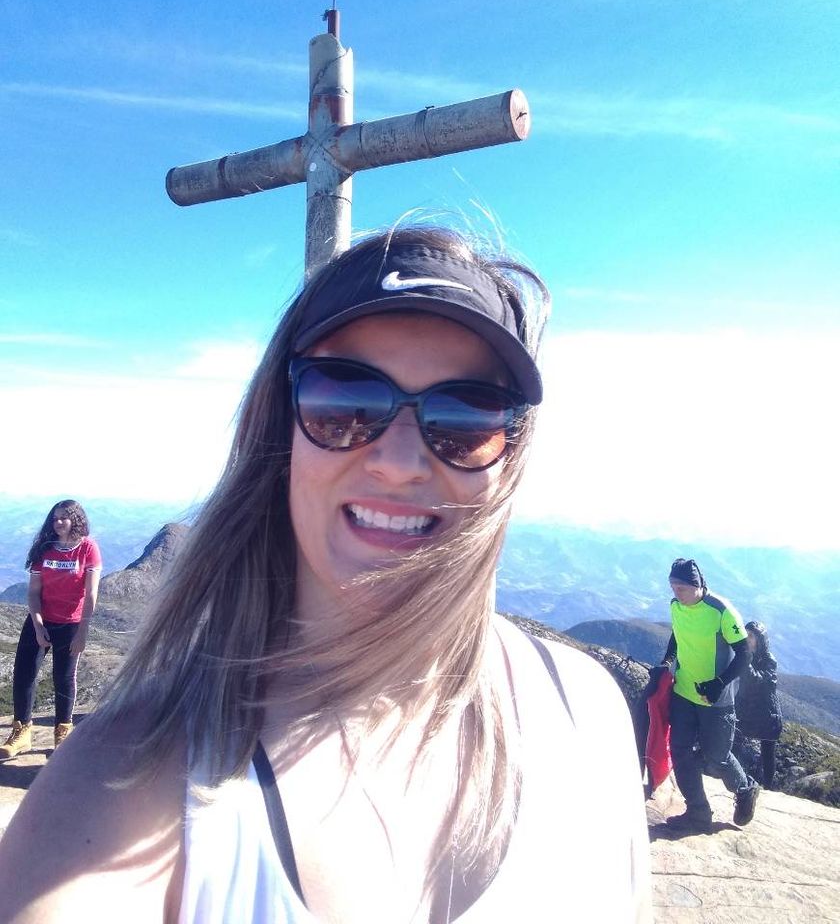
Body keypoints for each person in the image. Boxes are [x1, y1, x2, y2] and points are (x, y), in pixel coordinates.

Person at [0, 226, 651, 922]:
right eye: (344, 402)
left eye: (467, 417)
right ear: (279, 432)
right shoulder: (129, 784)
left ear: (510, 454)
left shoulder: (590, 710)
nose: (400, 461)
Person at [660, 557, 760, 833]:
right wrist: (666, 662)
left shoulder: (721, 611)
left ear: (697, 585)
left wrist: (719, 683)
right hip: (683, 692)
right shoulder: (676, 606)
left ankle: (745, 788)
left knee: (717, 757)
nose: (675, 592)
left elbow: (744, 653)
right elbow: (676, 636)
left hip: (716, 700)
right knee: (680, 751)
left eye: (681, 587)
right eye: (672, 586)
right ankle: (698, 813)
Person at [0, 499, 101, 759]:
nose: (58, 523)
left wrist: (83, 631)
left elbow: (91, 594)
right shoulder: (44, 549)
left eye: (64, 518)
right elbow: (33, 593)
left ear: (76, 520)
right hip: (41, 619)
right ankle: (22, 732)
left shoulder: (88, 549)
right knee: (24, 674)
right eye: (55, 518)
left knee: (64, 678)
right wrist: (37, 625)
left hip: (71, 623)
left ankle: (62, 732)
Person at [734, 620, 783, 790]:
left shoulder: (769, 660)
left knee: (768, 752)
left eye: (751, 636)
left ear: (760, 639)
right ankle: (736, 781)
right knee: (734, 744)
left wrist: (745, 661)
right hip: (746, 709)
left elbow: (757, 681)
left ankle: (768, 788)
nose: (747, 638)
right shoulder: (745, 654)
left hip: (766, 714)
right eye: (745, 634)